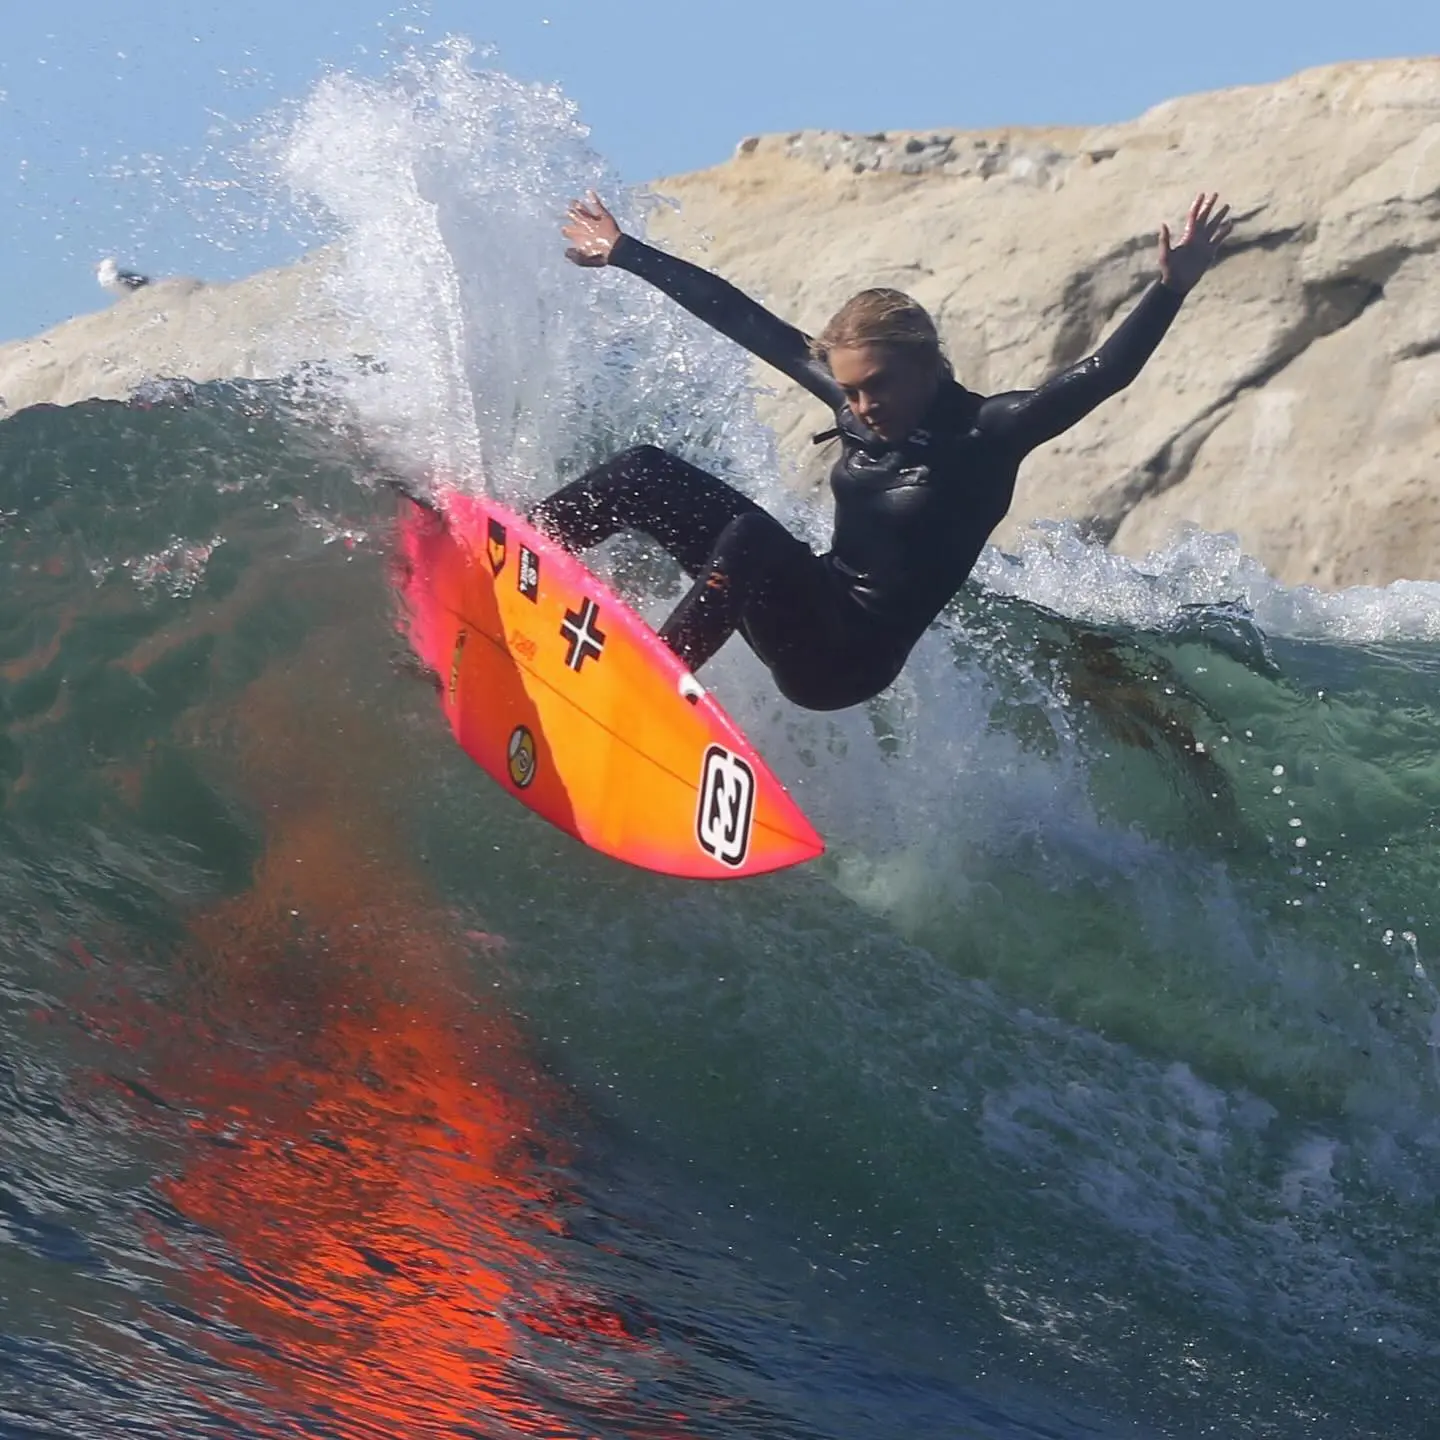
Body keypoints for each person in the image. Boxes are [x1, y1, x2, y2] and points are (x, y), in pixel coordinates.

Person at [530, 189, 1232, 712]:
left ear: (927, 365)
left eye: (878, 386)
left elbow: (1102, 374)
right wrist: (624, 251)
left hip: (848, 660)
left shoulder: (987, 433)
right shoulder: (855, 411)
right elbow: (741, 317)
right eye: (850, 391)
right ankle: (517, 549)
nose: (863, 406)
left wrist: (1170, 289)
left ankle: (650, 689)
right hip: (806, 607)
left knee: (748, 536)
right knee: (644, 472)